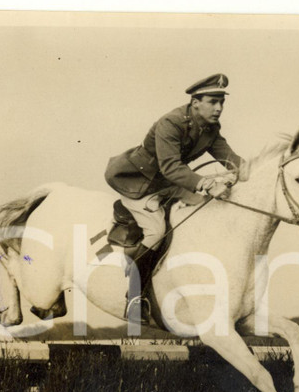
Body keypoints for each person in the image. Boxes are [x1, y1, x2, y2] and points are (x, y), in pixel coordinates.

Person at [104, 73, 245, 322]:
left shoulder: (211, 128)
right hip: (139, 183)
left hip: (168, 183)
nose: (219, 108)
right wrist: (205, 183)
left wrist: (259, 171)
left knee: (205, 212)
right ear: (195, 102)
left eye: (222, 102)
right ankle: (135, 297)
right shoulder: (171, 123)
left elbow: (229, 158)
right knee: (156, 232)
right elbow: (170, 166)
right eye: (213, 101)